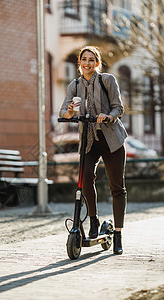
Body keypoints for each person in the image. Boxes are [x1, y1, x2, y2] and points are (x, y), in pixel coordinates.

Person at [59, 46, 128, 255]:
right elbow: (63, 111)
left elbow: (119, 108)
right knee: (85, 177)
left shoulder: (107, 80)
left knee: (117, 187)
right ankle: (94, 221)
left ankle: (117, 234)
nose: (87, 63)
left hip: (111, 139)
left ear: (97, 63)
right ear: (79, 63)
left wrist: (108, 115)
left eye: (91, 60)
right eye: (83, 60)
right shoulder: (75, 84)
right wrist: (70, 112)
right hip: (89, 140)